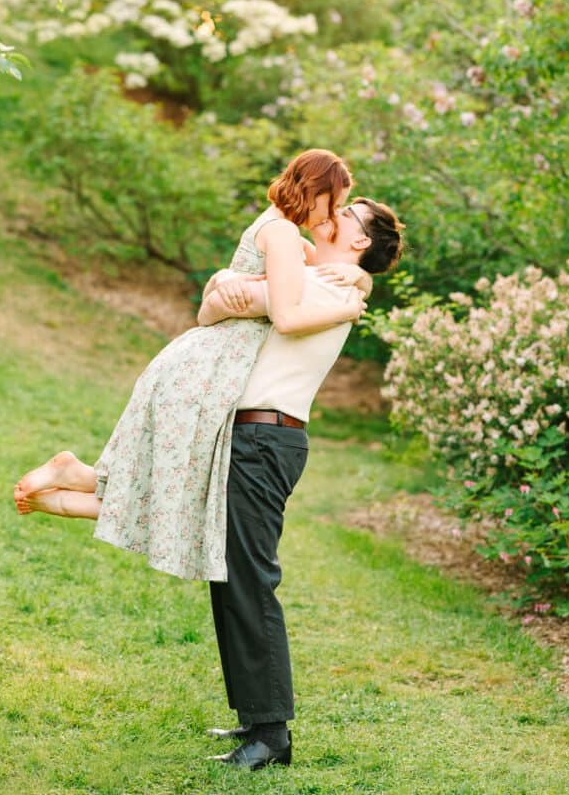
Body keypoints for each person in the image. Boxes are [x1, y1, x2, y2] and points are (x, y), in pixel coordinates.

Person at [14, 148, 363, 584]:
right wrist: (347, 310)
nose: (331, 218)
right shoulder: (282, 234)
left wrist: (360, 278)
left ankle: (69, 481)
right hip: (207, 371)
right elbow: (287, 317)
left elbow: (329, 270)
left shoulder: (282, 231)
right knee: (174, 485)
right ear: (315, 192)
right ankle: (72, 477)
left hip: (208, 367)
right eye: (333, 205)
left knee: (170, 484)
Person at [201, 197, 404, 770]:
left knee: (250, 580)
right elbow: (224, 295)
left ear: (360, 241)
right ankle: (256, 718)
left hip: (266, 439)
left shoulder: (329, 288)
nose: (333, 210)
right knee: (232, 578)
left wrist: (228, 282)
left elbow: (231, 296)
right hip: (255, 435)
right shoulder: (330, 281)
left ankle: (271, 736)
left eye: (349, 210)